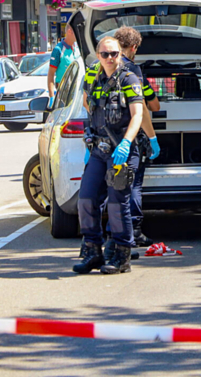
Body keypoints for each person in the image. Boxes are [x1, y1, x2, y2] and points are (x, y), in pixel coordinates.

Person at [72, 36, 145, 275]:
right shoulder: (92, 76)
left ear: (121, 54)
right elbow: (87, 103)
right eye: (105, 54)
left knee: (117, 203)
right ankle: (93, 251)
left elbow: (137, 116)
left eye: (114, 53)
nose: (110, 58)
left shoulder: (129, 78)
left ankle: (121, 255)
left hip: (122, 151)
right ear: (98, 55)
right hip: (99, 150)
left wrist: (125, 143)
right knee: (86, 198)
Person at [112, 26, 162, 248]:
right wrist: (152, 138)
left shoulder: (100, 67)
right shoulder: (133, 71)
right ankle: (134, 231)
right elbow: (150, 106)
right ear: (133, 47)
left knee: (111, 186)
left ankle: (113, 233)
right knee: (133, 185)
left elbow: (87, 102)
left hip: (105, 137)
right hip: (129, 138)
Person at [48, 24, 79, 97]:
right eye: (77, 31)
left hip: (77, 90)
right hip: (64, 93)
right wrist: (52, 96)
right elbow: (51, 74)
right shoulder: (58, 50)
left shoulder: (77, 47)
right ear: (69, 31)